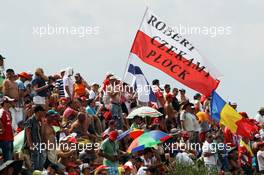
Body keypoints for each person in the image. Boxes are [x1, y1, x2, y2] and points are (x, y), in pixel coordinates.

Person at [24, 105, 46, 170]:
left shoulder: (38, 121)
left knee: (41, 162)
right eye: (42, 111)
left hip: (39, 143)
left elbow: (41, 133)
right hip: (34, 144)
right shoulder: (30, 120)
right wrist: (31, 145)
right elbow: (28, 133)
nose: (43, 113)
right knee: (35, 162)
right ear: (39, 112)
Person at [0, 96, 15, 161]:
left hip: (9, 139)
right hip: (5, 139)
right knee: (8, 161)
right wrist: (2, 128)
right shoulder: (2, 111)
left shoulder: (8, 112)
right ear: (5, 103)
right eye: (10, 101)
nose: (12, 102)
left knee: (9, 161)